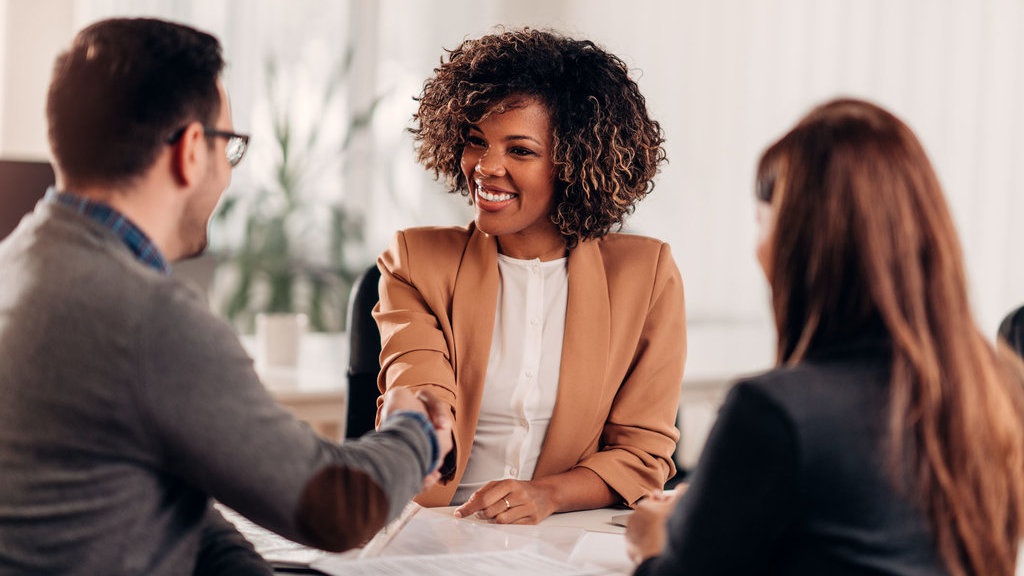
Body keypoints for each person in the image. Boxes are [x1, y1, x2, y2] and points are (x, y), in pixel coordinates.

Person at [0, 17, 452, 575]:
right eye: (230, 147)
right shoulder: (147, 318)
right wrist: (414, 430)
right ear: (192, 149)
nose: (228, 173)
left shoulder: (18, 265)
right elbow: (340, 507)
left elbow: (169, 500)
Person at [625, 98, 1024, 575]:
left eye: (762, 221)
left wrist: (655, 543)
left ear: (796, 242)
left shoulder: (774, 412)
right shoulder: (996, 392)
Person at [374, 28, 685, 524]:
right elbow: (418, 376)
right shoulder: (416, 261)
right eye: (476, 141)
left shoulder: (645, 276)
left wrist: (547, 495)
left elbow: (641, 454)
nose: (485, 167)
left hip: (565, 534)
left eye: (519, 150)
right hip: (437, 526)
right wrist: (414, 409)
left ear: (575, 163)